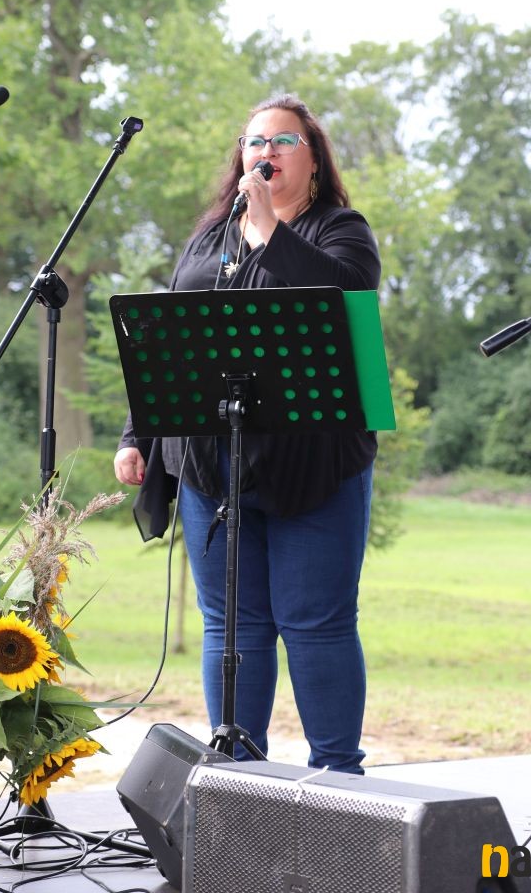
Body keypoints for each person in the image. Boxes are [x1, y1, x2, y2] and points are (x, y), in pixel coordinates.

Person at [113, 95, 381, 773]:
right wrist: (136, 434)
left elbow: (346, 293)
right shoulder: (209, 238)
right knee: (233, 625)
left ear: (313, 161)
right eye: (255, 141)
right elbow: (165, 341)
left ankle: (339, 777)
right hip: (211, 463)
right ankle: (238, 777)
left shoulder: (341, 230)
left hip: (312, 466)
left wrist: (269, 233)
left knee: (315, 623)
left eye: (284, 141)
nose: (266, 152)